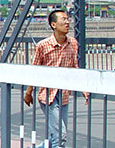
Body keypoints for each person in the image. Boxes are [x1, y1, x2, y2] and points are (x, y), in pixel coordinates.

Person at [24, 9, 89, 148]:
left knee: (55, 135)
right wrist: (28, 93)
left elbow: (74, 67)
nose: (67, 22)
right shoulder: (43, 45)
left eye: (67, 19)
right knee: (60, 136)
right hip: (48, 95)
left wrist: (84, 89)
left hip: (63, 93)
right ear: (54, 25)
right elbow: (35, 70)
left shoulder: (73, 43)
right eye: (63, 19)